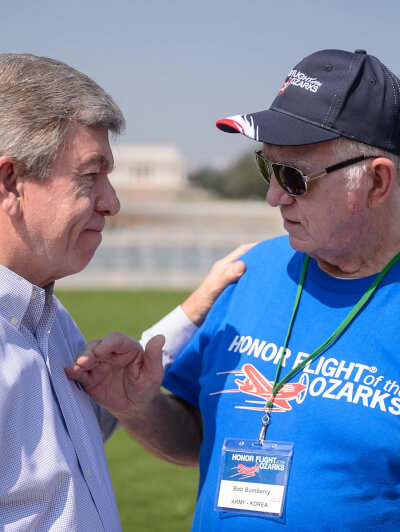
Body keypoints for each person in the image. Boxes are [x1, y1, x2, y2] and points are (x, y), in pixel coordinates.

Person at [68, 48, 400, 530]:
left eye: (294, 178)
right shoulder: (249, 271)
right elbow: (197, 435)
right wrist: (135, 405)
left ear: (376, 182)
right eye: (269, 169)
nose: (273, 197)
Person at [0, 52, 252, 531]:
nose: (111, 202)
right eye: (90, 175)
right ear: (11, 181)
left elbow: (62, 442)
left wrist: (193, 310)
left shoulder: (44, 317)